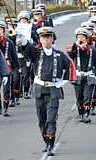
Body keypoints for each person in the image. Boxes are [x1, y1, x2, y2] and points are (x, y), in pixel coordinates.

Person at [18, 26, 76, 156]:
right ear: (40, 39)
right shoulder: (37, 53)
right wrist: (21, 37)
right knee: (41, 119)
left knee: (51, 119)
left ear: (52, 38)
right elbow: (27, 47)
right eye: (43, 38)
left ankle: (50, 145)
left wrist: (64, 81)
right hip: (39, 89)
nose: (46, 40)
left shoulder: (60, 55)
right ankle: (46, 140)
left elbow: (70, 66)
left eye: (48, 37)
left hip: (53, 90)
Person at [66, 28, 96, 123]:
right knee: (79, 97)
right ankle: (81, 115)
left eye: (83, 37)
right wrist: (76, 46)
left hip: (89, 76)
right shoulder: (74, 49)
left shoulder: (91, 49)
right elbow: (70, 54)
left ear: (86, 38)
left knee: (88, 96)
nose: (81, 38)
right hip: (77, 77)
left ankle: (87, 114)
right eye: (79, 37)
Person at [0, 21, 20, 116]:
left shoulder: (9, 42)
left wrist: (17, 66)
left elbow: (14, 55)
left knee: (6, 88)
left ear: (4, 31)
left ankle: (6, 108)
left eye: (1, 29)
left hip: (7, 67)